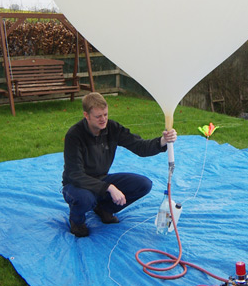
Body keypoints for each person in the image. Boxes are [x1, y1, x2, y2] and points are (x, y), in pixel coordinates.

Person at [62, 92, 177, 237]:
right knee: (85, 199)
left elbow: (139, 146)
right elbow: (75, 175)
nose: (103, 119)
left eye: (105, 114)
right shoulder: (74, 135)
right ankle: (77, 221)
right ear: (86, 115)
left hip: (101, 179)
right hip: (76, 184)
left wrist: (162, 141)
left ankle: (104, 208)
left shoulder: (112, 128)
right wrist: (108, 187)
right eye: (98, 116)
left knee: (144, 184)